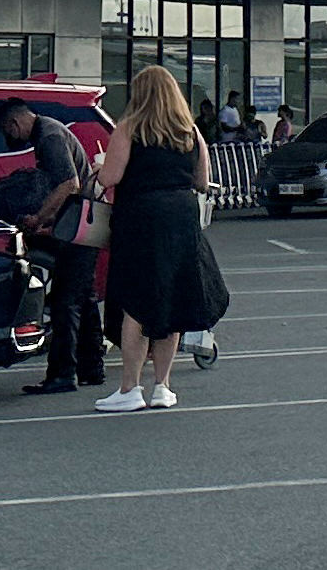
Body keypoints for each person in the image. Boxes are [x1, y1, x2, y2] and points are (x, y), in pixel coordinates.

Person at [93, 65, 230, 411]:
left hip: (140, 218)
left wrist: (97, 167)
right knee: (172, 300)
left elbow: (111, 176)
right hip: (181, 220)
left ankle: (129, 389)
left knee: (136, 303)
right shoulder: (190, 132)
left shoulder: (128, 128)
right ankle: (163, 387)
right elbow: (202, 181)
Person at [0, 97, 104, 395]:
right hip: (87, 223)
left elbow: (69, 184)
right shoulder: (51, 131)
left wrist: (39, 217)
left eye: (7, 131)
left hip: (77, 226)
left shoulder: (49, 137)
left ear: (14, 123)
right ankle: (92, 368)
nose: (9, 138)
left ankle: (62, 374)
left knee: (65, 301)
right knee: (84, 295)